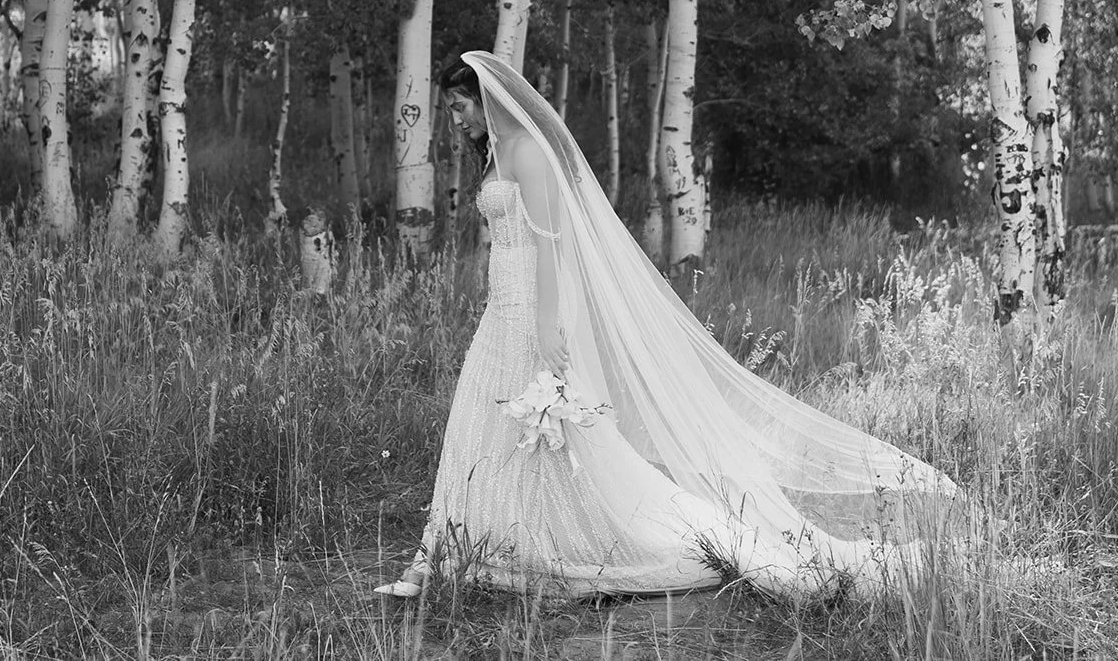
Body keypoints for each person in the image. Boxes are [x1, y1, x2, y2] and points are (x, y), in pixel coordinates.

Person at [375, 51, 956, 600]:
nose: (453, 119)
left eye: (458, 106)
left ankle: (520, 545)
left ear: (486, 99)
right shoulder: (498, 153)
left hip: (534, 306)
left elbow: (552, 244)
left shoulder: (526, 150)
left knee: (542, 428)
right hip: (503, 307)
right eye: (450, 107)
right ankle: (474, 544)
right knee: (490, 424)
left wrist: (549, 323)